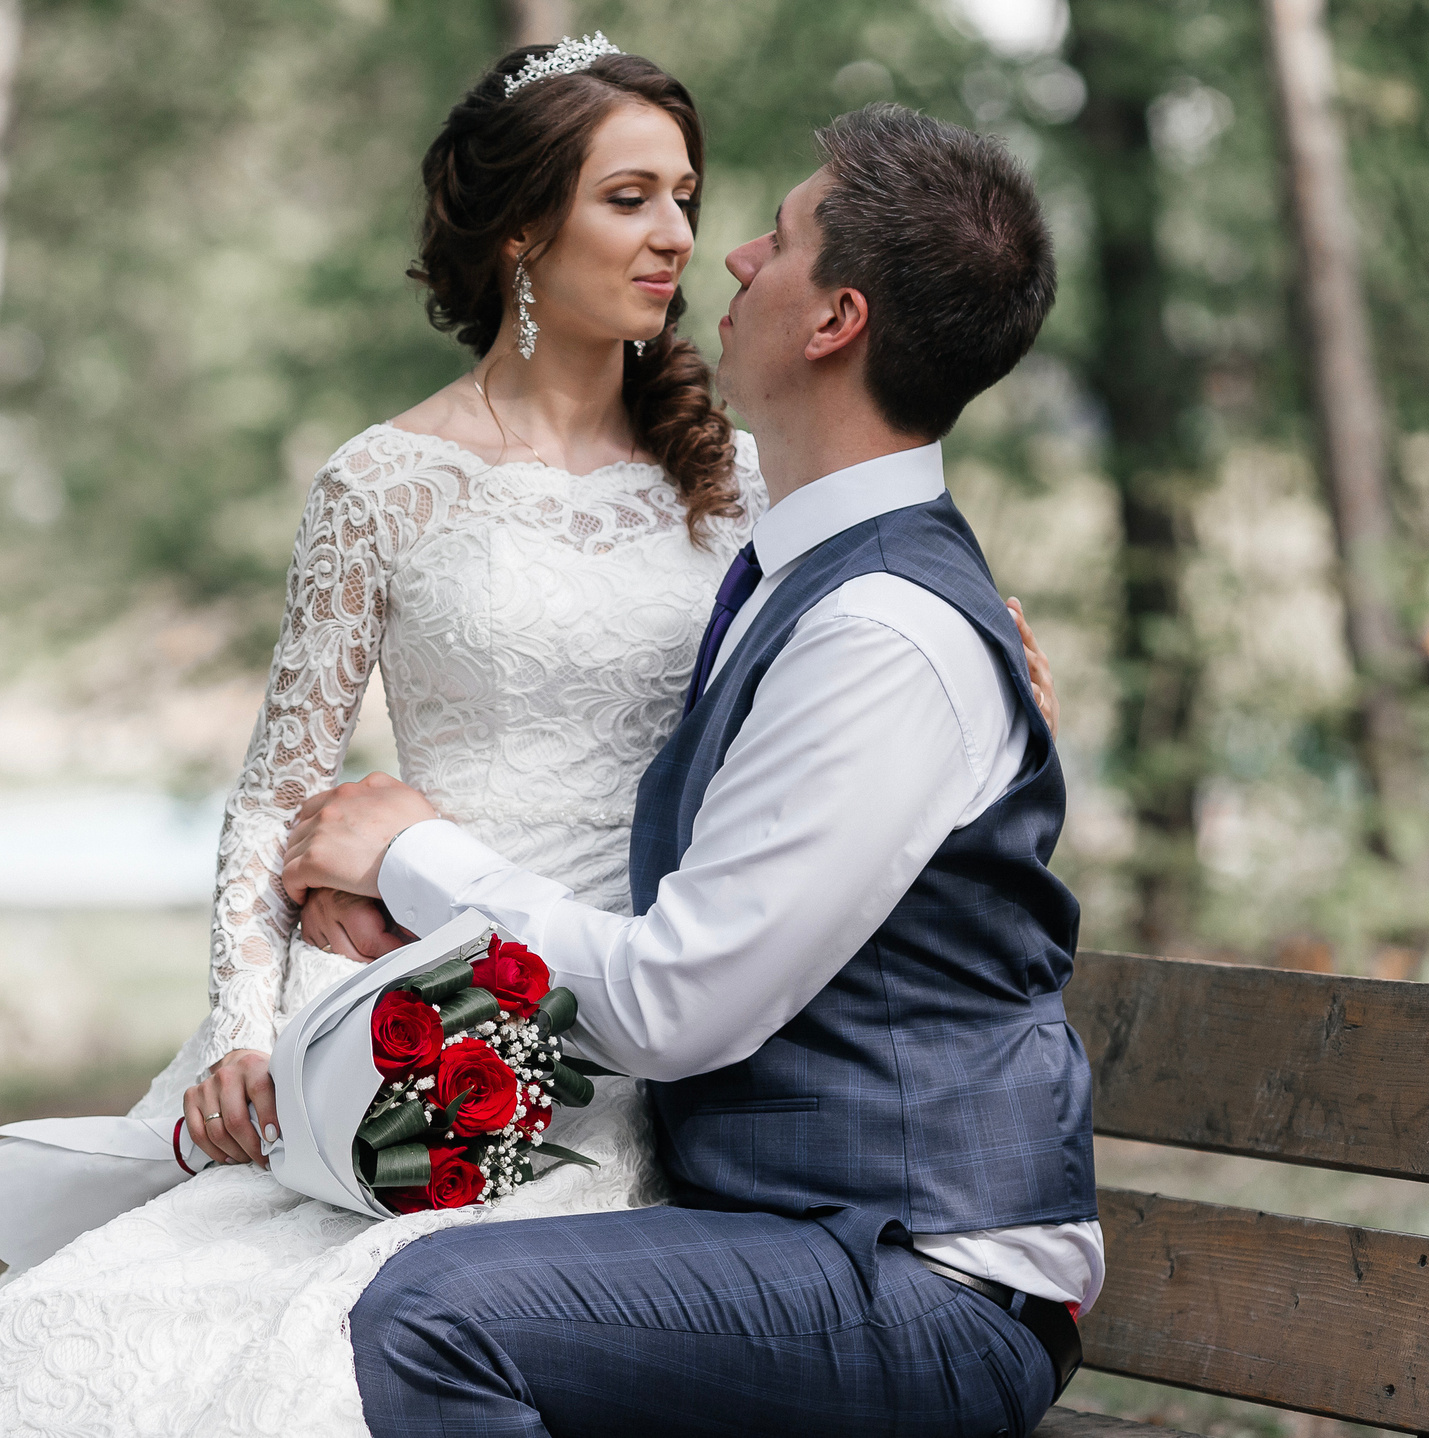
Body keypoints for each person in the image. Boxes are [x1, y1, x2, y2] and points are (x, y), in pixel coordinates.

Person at [0, 41, 1055, 1437]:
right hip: (451, 1012)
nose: (682, 239)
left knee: (347, 1348)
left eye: (693, 199)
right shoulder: (383, 483)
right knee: (108, 1342)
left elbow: (873, 647)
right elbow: (273, 800)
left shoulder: (754, 476)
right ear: (524, 232)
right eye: (631, 198)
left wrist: (1000, 667)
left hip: (644, 1037)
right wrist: (249, 1024)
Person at [282, 101, 1093, 1438]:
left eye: (772, 241)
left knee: (430, 1317)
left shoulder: (887, 633)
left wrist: (411, 854)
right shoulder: (805, 562)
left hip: (929, 1277)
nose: (726, 259)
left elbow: (674, 1005)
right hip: (807, 1228)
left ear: (835, 319)